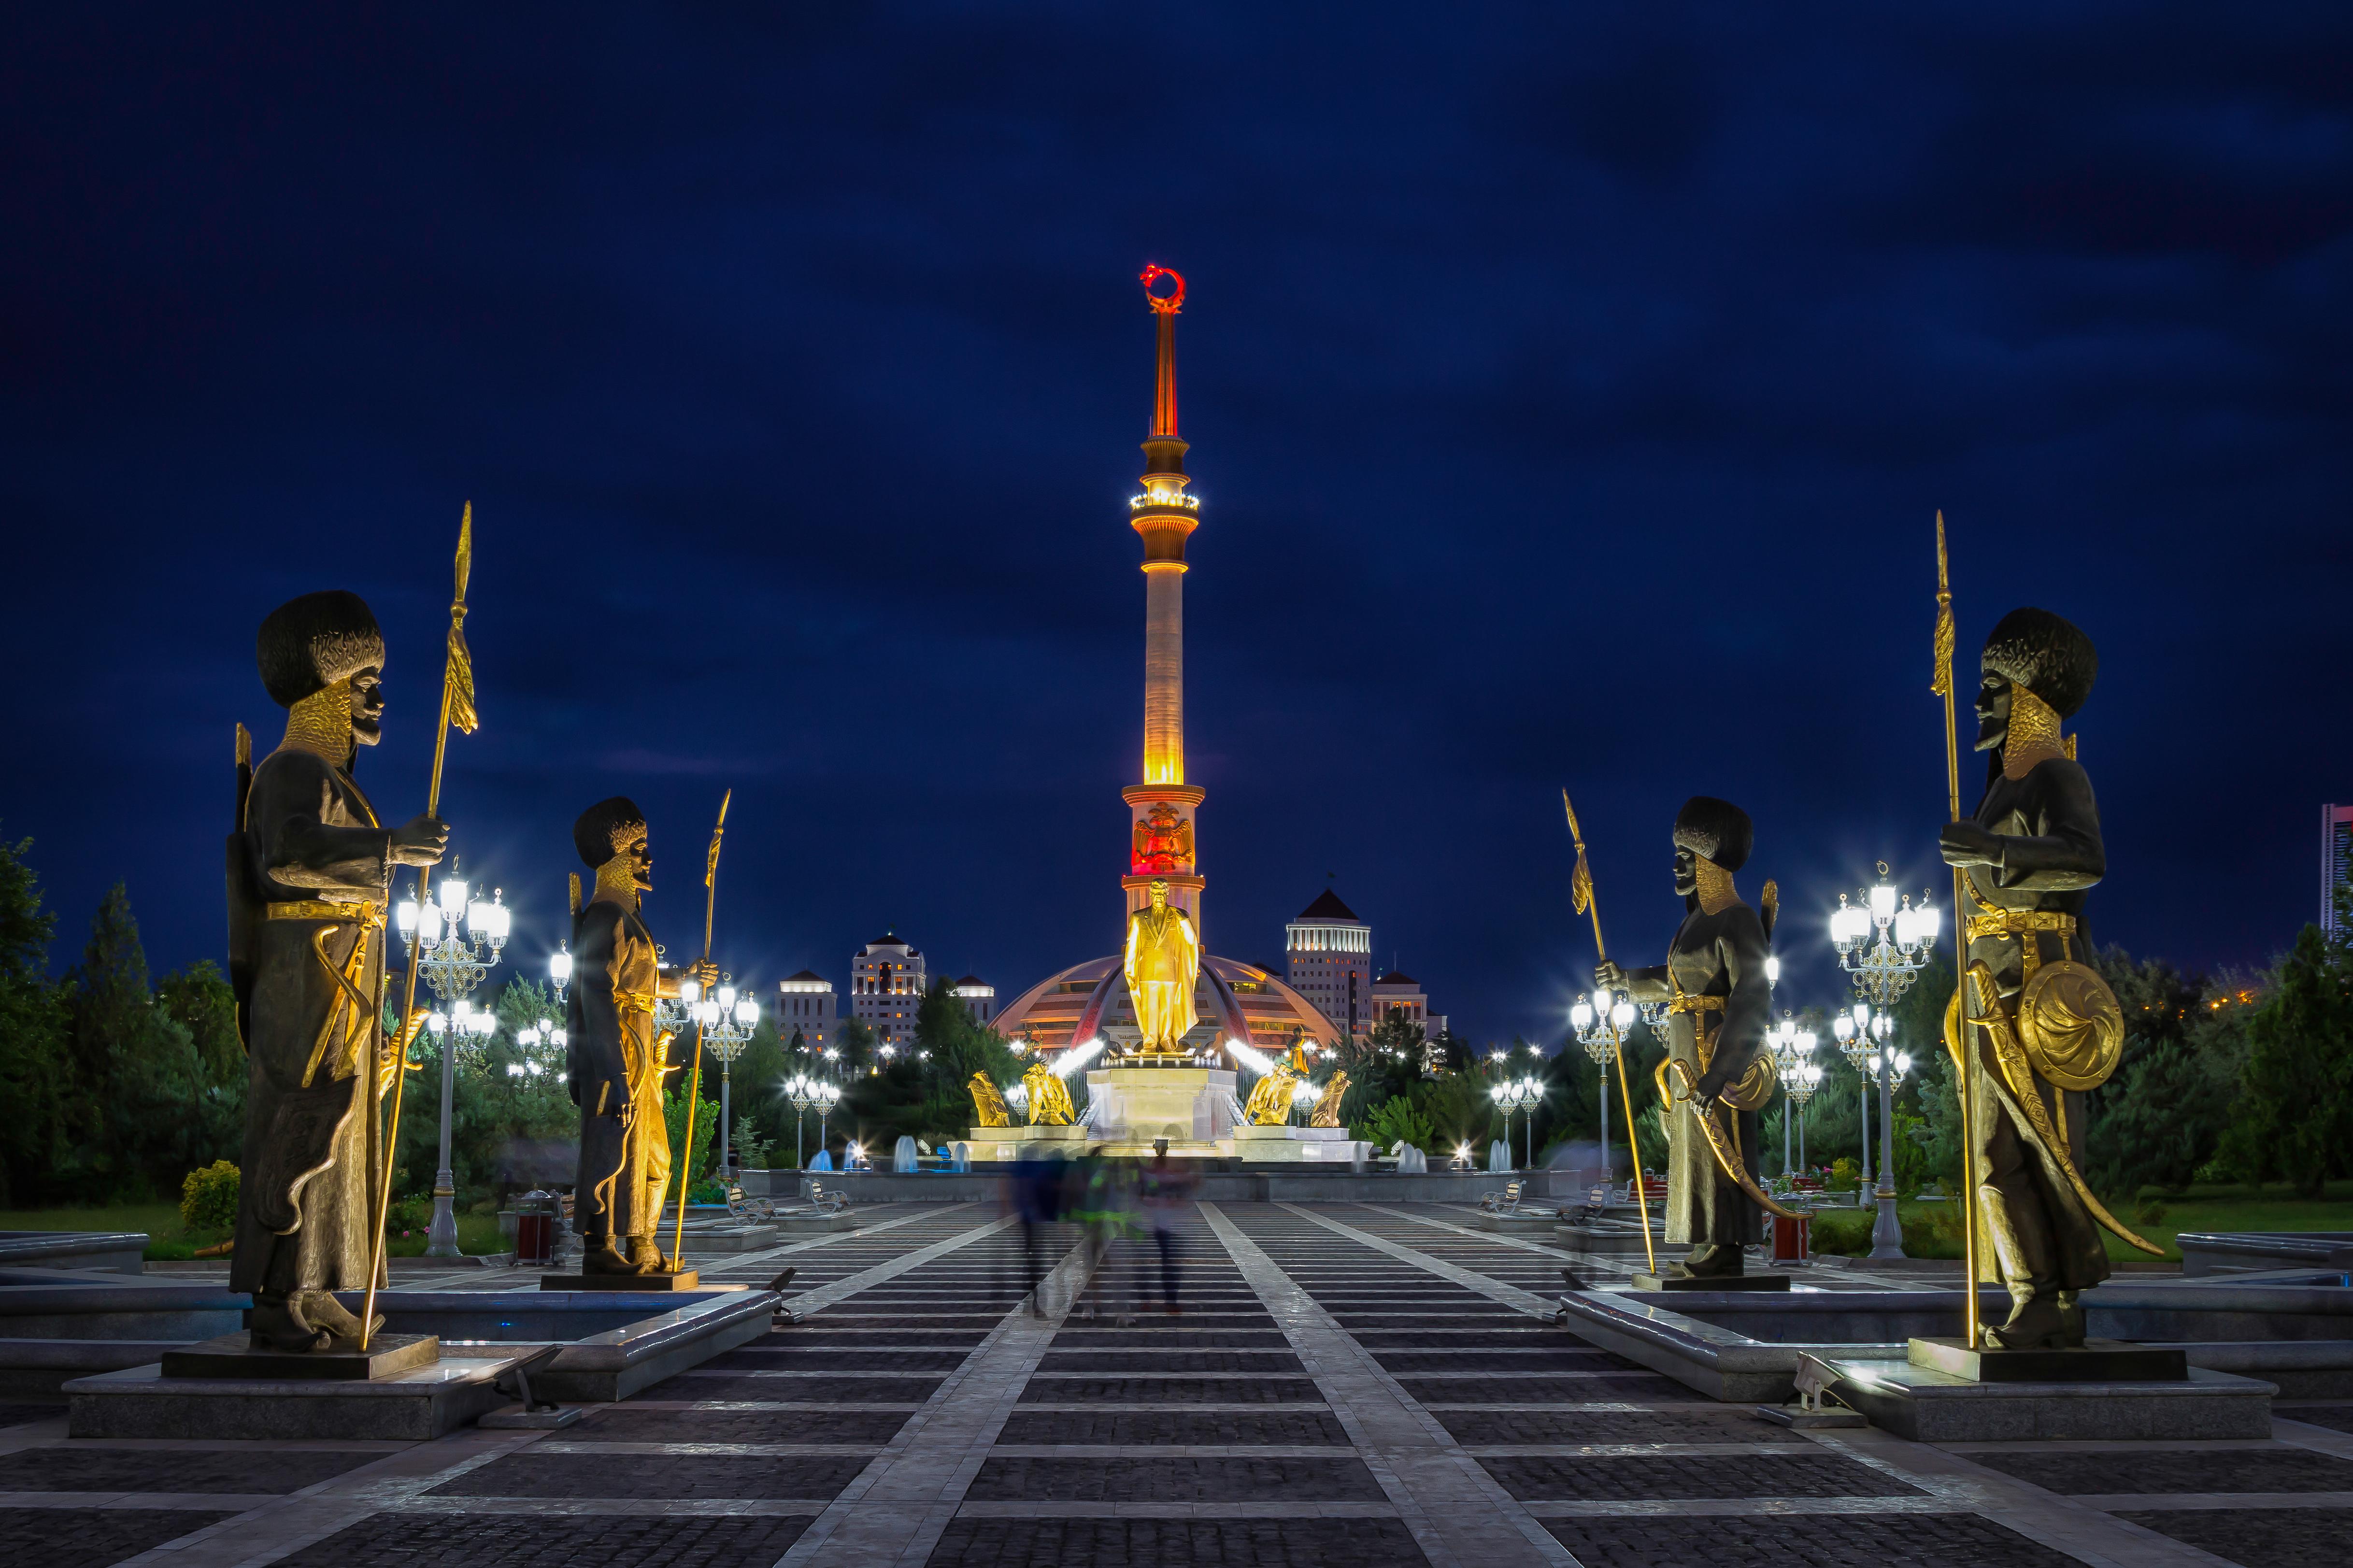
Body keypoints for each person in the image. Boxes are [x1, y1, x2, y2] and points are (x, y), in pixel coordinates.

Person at [230, 591, 448, 1351]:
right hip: (306, 979)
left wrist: (387, 856)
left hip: (342, 979)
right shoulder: (293, 768)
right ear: (324, 692)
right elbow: (288, 852)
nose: (379, 698)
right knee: (305, 1125)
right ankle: (276, 1296)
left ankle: (316, 1288)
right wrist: (390, 847)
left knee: (341, 1137)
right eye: (363, 684)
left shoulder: (338, 779)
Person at [1939, 607, 2123, 1350]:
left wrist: (1989, 847)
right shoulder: (1995, 787)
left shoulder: (2058, 773)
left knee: (2044, 1141)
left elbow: (2084, 858)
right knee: (1989, 1153)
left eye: (1989, 686)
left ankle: (2059, 1297)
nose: (1977, 703)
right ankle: (2025, 1290)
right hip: (1988, 982)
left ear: (2029, 699)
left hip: (2043, 982)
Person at [1594, 797, 1775, 1280]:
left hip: (1714, 1053)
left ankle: (1726, 1248)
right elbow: (1677, 981)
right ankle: (1704, 1244)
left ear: (1711, 864)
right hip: (1683, 1054)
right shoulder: (1694, 922)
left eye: (1686, 857)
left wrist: (1721, 1071)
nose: (1676, 866)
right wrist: (1625, 980)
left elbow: (1752, 997)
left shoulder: (1737, 919)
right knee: (1693, 1150)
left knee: (1721, 1150)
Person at [567, 797, 715, 1275]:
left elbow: (643, 983)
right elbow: (596, 999)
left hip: (640, 1049)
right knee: (613, 1147)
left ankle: (642, 1243)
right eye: (638, 850)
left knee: (651, 1154)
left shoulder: (629, 922)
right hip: (617, 1052)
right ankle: (600, 1248)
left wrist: (687, 979)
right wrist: (615, 1074)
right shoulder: (604, 920)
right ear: (613, 861)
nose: (647, 859)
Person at [1140, 1138, 1195, 1314]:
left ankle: (1149, 1299)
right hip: (1166, 1227)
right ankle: (1170, 1301)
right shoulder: (1168, 1178)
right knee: (1169, 1264)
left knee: (1155, 1263)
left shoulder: (1152, 1177)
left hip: (1157, 1226)